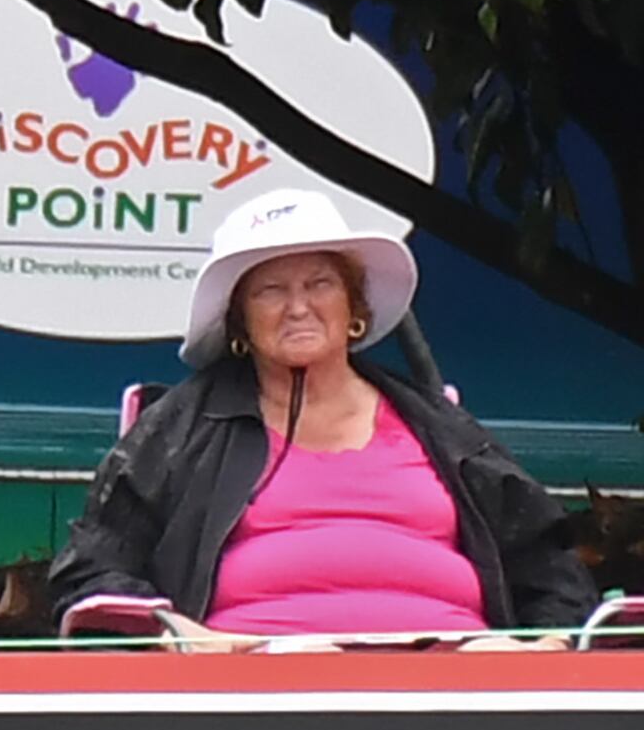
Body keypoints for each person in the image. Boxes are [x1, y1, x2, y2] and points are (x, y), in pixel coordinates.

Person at [48, 190, 590, 645]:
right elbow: (92, 571)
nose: (298, 306)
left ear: (355, 309)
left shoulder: (437, 425)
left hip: (458, 701)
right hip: (246, 706)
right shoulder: (183, 425)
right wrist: (180, 635)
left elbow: (550, 567)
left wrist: (542, 647)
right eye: (271, 290)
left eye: (320, 284)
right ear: (240, 321)